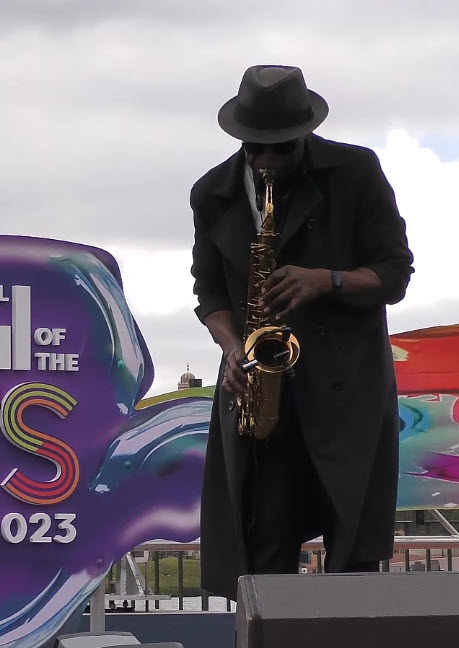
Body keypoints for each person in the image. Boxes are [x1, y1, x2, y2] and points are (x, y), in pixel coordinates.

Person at [189, 64, 414, 599]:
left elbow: (395, 274)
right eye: (256, 149)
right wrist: (233, 349)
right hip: (260, 389)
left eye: (282, 148)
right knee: (265, 542)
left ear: (305, 133)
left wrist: (327, 280)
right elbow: (209, 294)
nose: (268, 160)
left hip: (346, 389)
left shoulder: (355, 171)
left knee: (354, 550)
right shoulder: (212, 192)